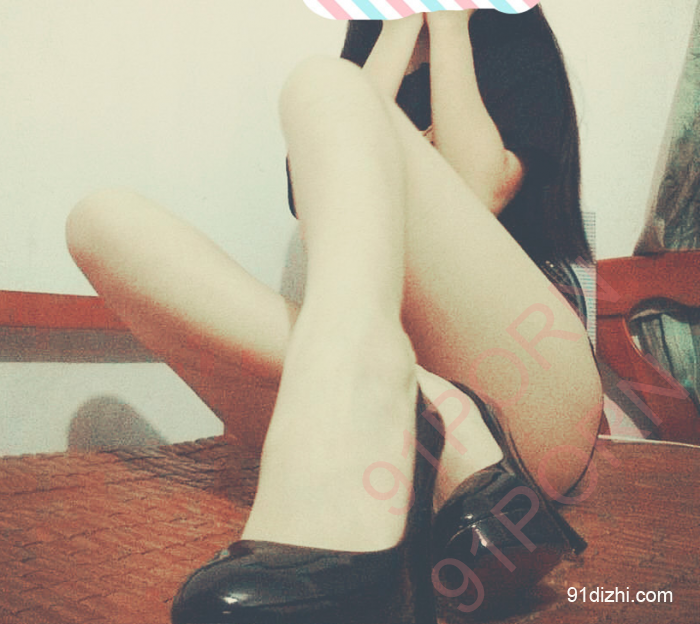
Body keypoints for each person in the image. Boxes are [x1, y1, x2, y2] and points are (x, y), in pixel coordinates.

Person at [65, 7, 603, 623]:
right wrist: (395, 29)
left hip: (525, 385)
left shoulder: (518, 45)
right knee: (98, 224)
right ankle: (423, 404)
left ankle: (387, 387)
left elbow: (478, 187)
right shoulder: (372, 53)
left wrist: (450, 25)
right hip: (390, 438)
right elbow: (311, 184)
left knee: (321, 83)